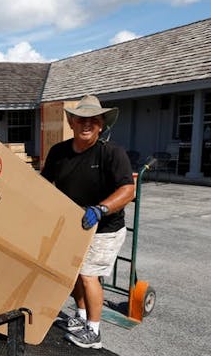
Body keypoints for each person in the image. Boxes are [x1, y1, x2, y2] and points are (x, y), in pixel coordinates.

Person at [41, 95, 135, 349]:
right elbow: (44, 184)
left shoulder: (111, 153)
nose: (87, 124)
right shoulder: (59, 152)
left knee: (88, 274)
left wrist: (101, 209)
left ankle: (94, 332)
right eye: (82, 119)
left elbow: (128, 189)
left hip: (105, 227)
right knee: (72, 273)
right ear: (71, 122)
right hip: (73, 224)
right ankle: (81, 317)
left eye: (94, 120)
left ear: (101, 125)